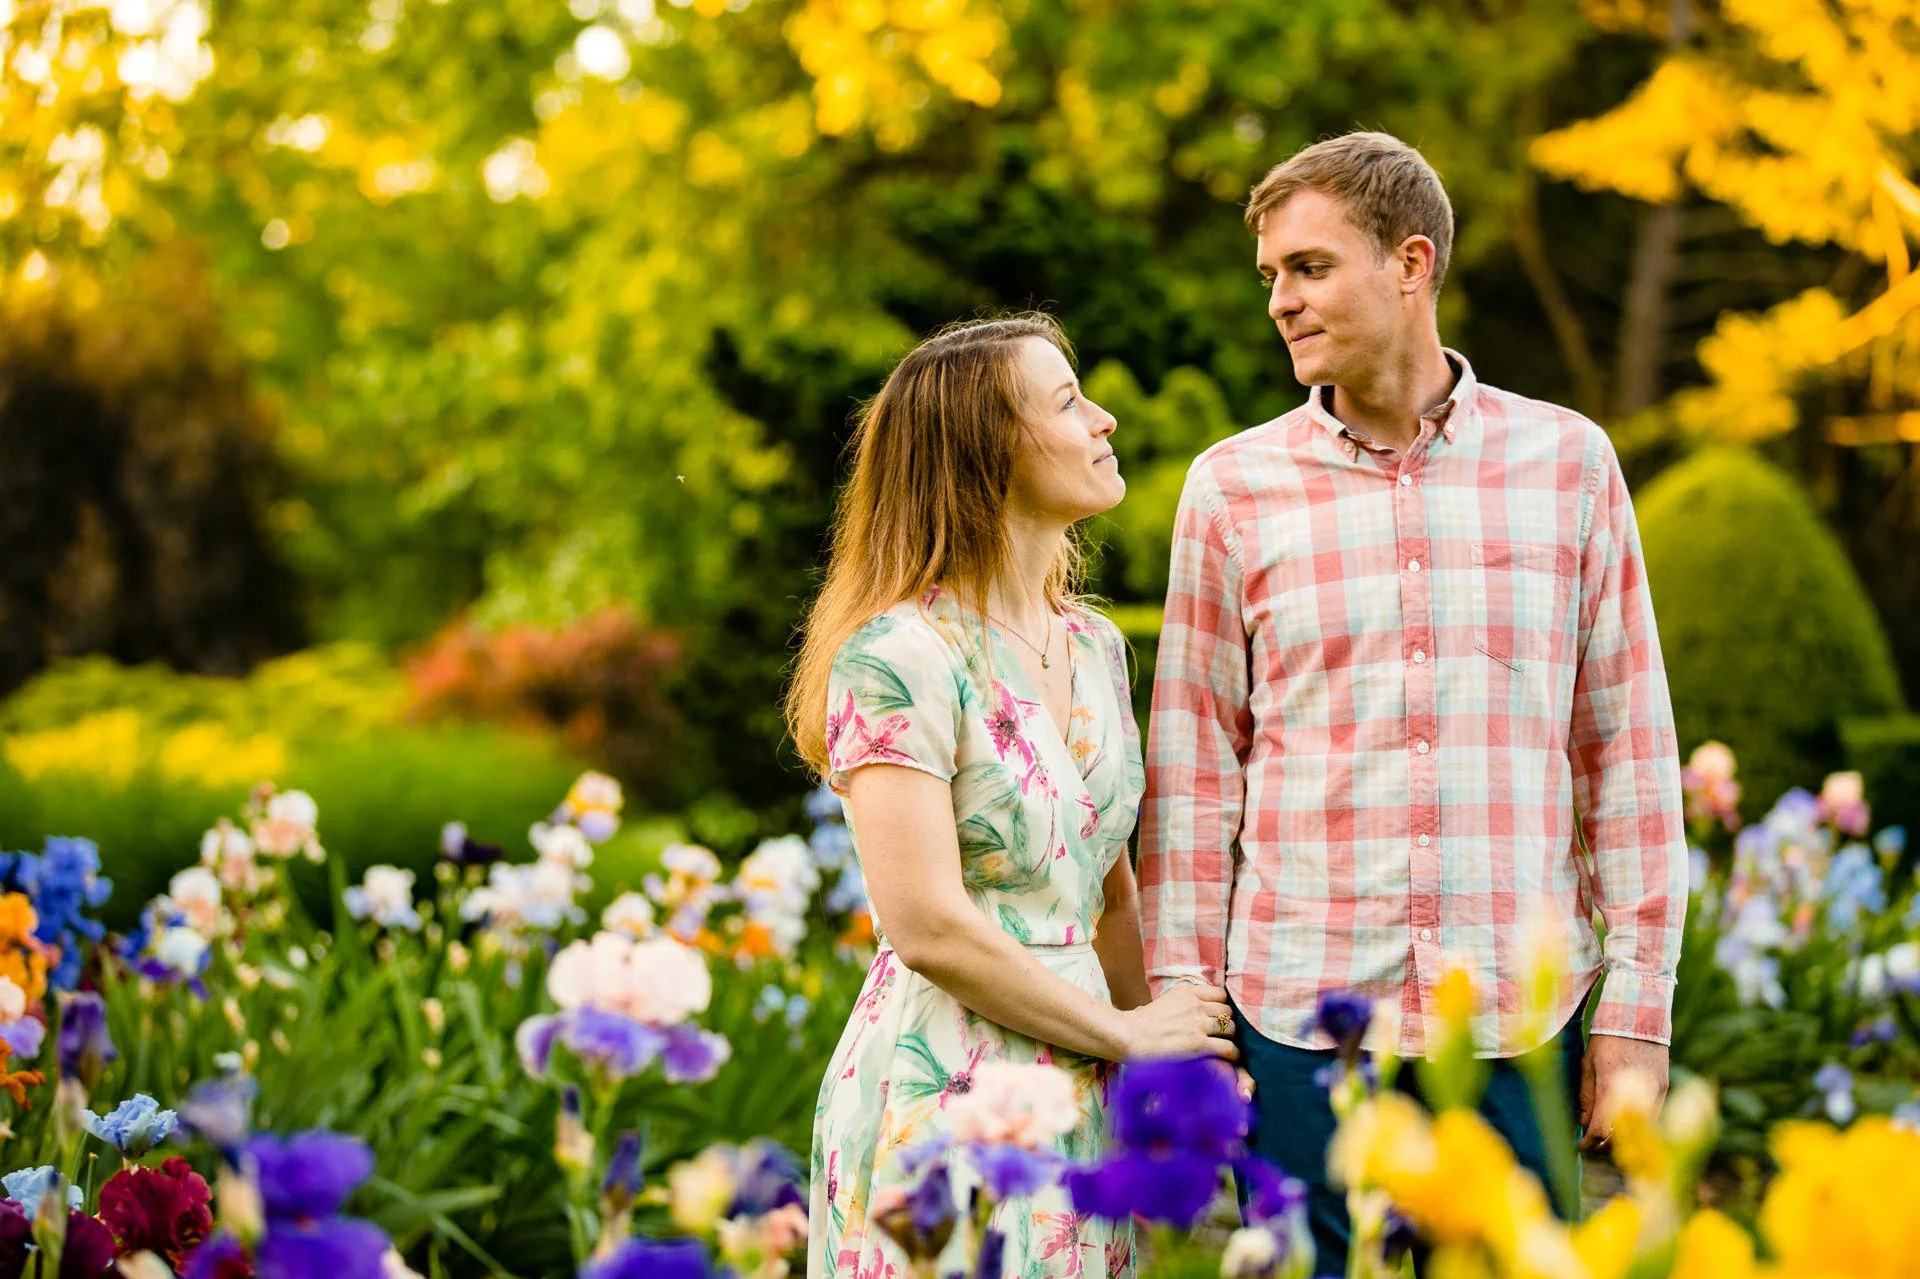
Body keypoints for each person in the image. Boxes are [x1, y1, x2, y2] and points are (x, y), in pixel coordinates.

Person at [1137, 131, 1689, 1272]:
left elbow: (1626, 756)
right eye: (1271, 277)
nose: (1281, 301)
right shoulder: (1230, 490)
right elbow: (1193, 783)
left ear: (1410, 261)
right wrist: (1188, 1025)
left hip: (1512, 1028)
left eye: (1309, 267)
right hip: (1299, 1025)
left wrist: (1634, 1019)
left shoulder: (1571, 465)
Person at [788, 313, 1237, 1279]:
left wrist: (1154, 1078)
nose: (1104, 419)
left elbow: (1109, 893)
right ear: (985, 450)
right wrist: (1124, 1032)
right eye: (1069, 402)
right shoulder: (899, 652)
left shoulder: (1094, 644)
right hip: (947, 1089)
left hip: (1086, 1089)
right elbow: (926, 924)